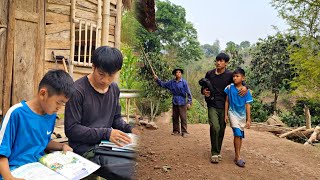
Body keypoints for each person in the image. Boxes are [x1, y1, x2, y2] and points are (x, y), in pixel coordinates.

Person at [64, 46, 140, 180]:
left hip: (107, 145)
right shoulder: (77, 90)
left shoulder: (114, 89)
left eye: (111, 75)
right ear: (93, 67)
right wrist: (106, 133)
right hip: (84, 149)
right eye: (101, 74)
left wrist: (131, 129)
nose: (105, 80)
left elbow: (116, 119)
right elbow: (71, 129)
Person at [0, 69, 75, 180]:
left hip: (40, 168)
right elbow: (2, 152)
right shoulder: (16, 113)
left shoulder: (51, 115)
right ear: (43, 94)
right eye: (58, 102)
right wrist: (9, 178)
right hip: (16, 170)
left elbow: (43, 141)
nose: (59, 108)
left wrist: (62, 146)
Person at [201, 53, 247, 163]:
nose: (218, 63)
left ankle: (218, 151)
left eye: (221, 61)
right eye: (217, 60)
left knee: (221, 129)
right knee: (215, 127)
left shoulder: (230, 75)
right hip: (212, 104)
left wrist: (245, 87)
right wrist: (203, 91)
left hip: (225, 106)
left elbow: (241, 83)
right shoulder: (210, 74)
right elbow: (204, 87)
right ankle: (214, 153)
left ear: (226, 63)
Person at [224, 68, 253, 167]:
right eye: (234, 76)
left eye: (237, 76)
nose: (235, 78)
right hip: (232, 113)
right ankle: (238, 157)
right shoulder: (229, 88)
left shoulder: (246, 91)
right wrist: (225, 114)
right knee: (236, 133)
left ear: (243, 78)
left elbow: (248, 105)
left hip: (242, 116)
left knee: (240, 135)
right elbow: (227, 101)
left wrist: (249, 119)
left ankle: (237, 155)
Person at [154, 68, 192, 137]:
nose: (178, 73)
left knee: (183, 117)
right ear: (175, 74)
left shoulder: (184, 82)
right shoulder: (171, 82)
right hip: (175, 101)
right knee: (175, 117)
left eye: (179, 72)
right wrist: (157, 80)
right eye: (177, 72)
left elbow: (188, 93)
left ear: (181, 74)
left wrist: (189, 102)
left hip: (182, 102)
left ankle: (184, 132)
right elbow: (163, 84)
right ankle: (176, 131)